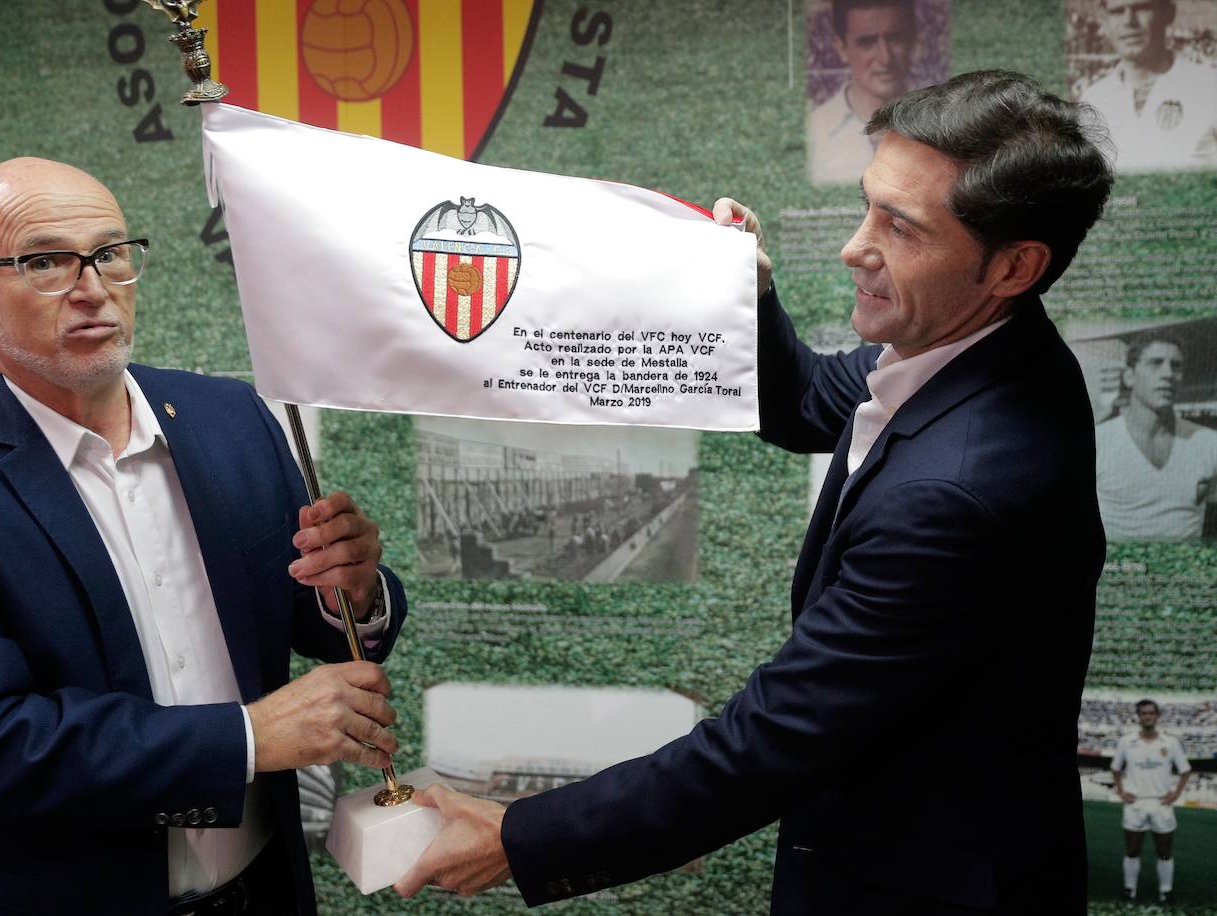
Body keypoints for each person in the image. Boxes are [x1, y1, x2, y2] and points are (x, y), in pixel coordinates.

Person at [395, 69, 1113, 914]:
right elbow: (810, 401)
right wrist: (754, 291)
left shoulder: (962, 489)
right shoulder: (977, 348)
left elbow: (770, 741)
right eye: (867, 205)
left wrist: (519, 837)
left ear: (1014, 265)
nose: (856, 246)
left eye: (901, 226)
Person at [0, 157, 409, 915]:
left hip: (260, 892)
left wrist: (358, 592)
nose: (92, 287)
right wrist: (246, 738)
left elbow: (316, 620)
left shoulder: (233, 419)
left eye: (110, 253)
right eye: (46, 262)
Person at [1096, 337, 1217, 540]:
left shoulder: (1208, 443)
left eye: (1176, 366)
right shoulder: (1096, 442)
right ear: (1129, 377)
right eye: (1155, 363)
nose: (1168, 374)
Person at [1077, 0, 1217, 172]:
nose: (1129, 21)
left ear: (1168, 13)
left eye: (1141, 8)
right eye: (1117, 11)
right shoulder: (1093, 99)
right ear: (1105, 20)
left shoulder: (1210, 87)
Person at [807, 0, 918, 184]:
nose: (885, 57)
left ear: (913, 41)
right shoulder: (815, 130)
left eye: (895, 38)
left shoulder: (942, 124)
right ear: (841, 48)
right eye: (867, 42)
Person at [1111, 700, 1191, 904]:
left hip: (1161, 804)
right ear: (1138, 717)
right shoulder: (1126, 742)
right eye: (1143, 713)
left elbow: (1185, 770)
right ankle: (1130, 890)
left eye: (1151, 713)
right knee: (1132, 850)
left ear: (1157, 716)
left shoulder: (1170, 743)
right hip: (1135, 804)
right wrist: (1121, 791)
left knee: (1164, 852)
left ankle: (1166, 891)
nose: (1147, 716)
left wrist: (1175, 794)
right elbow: (1115, 768)